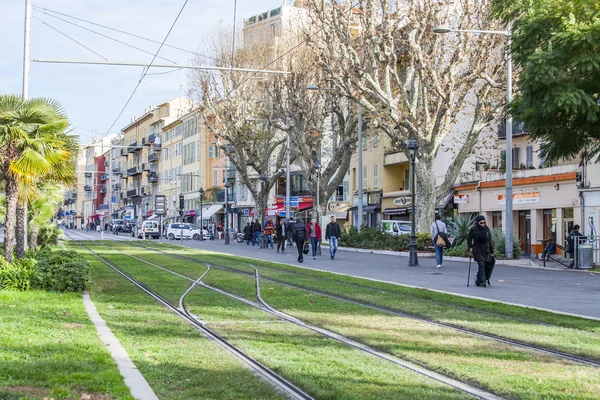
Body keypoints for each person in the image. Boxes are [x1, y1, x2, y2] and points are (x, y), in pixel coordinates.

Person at [467, 215, 495, 287]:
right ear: (477, 222)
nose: (483, 224)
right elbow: (469, 238)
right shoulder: (474, 229)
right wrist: (470, 247)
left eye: (484, 223)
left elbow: (489, 241)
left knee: (486, 265)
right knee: (481, 264)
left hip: (486, 249)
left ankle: (479, 280)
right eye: (481, 223)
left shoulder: (487, 229)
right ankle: (483, 282)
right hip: (477, 249)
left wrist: (492, 252)